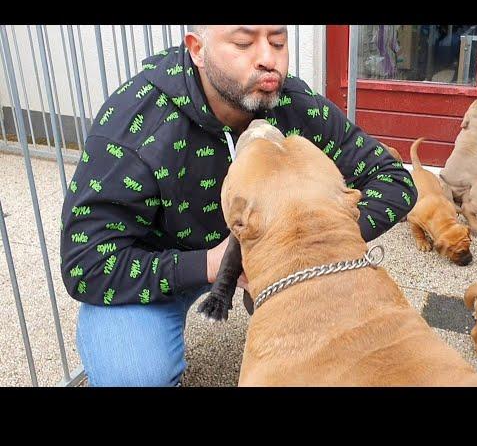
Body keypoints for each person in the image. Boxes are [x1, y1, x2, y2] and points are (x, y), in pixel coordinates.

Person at [60, 25, 418, 386]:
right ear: (198, 49)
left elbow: (393, 179)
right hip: (151, 267)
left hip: (264, 261)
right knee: (135, 377)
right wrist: (208, 264)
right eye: (244, 43)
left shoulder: (293, 103)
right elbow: (85, 263)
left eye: (278, 41)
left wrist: (309, 241)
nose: (268, 58)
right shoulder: (134, 124)